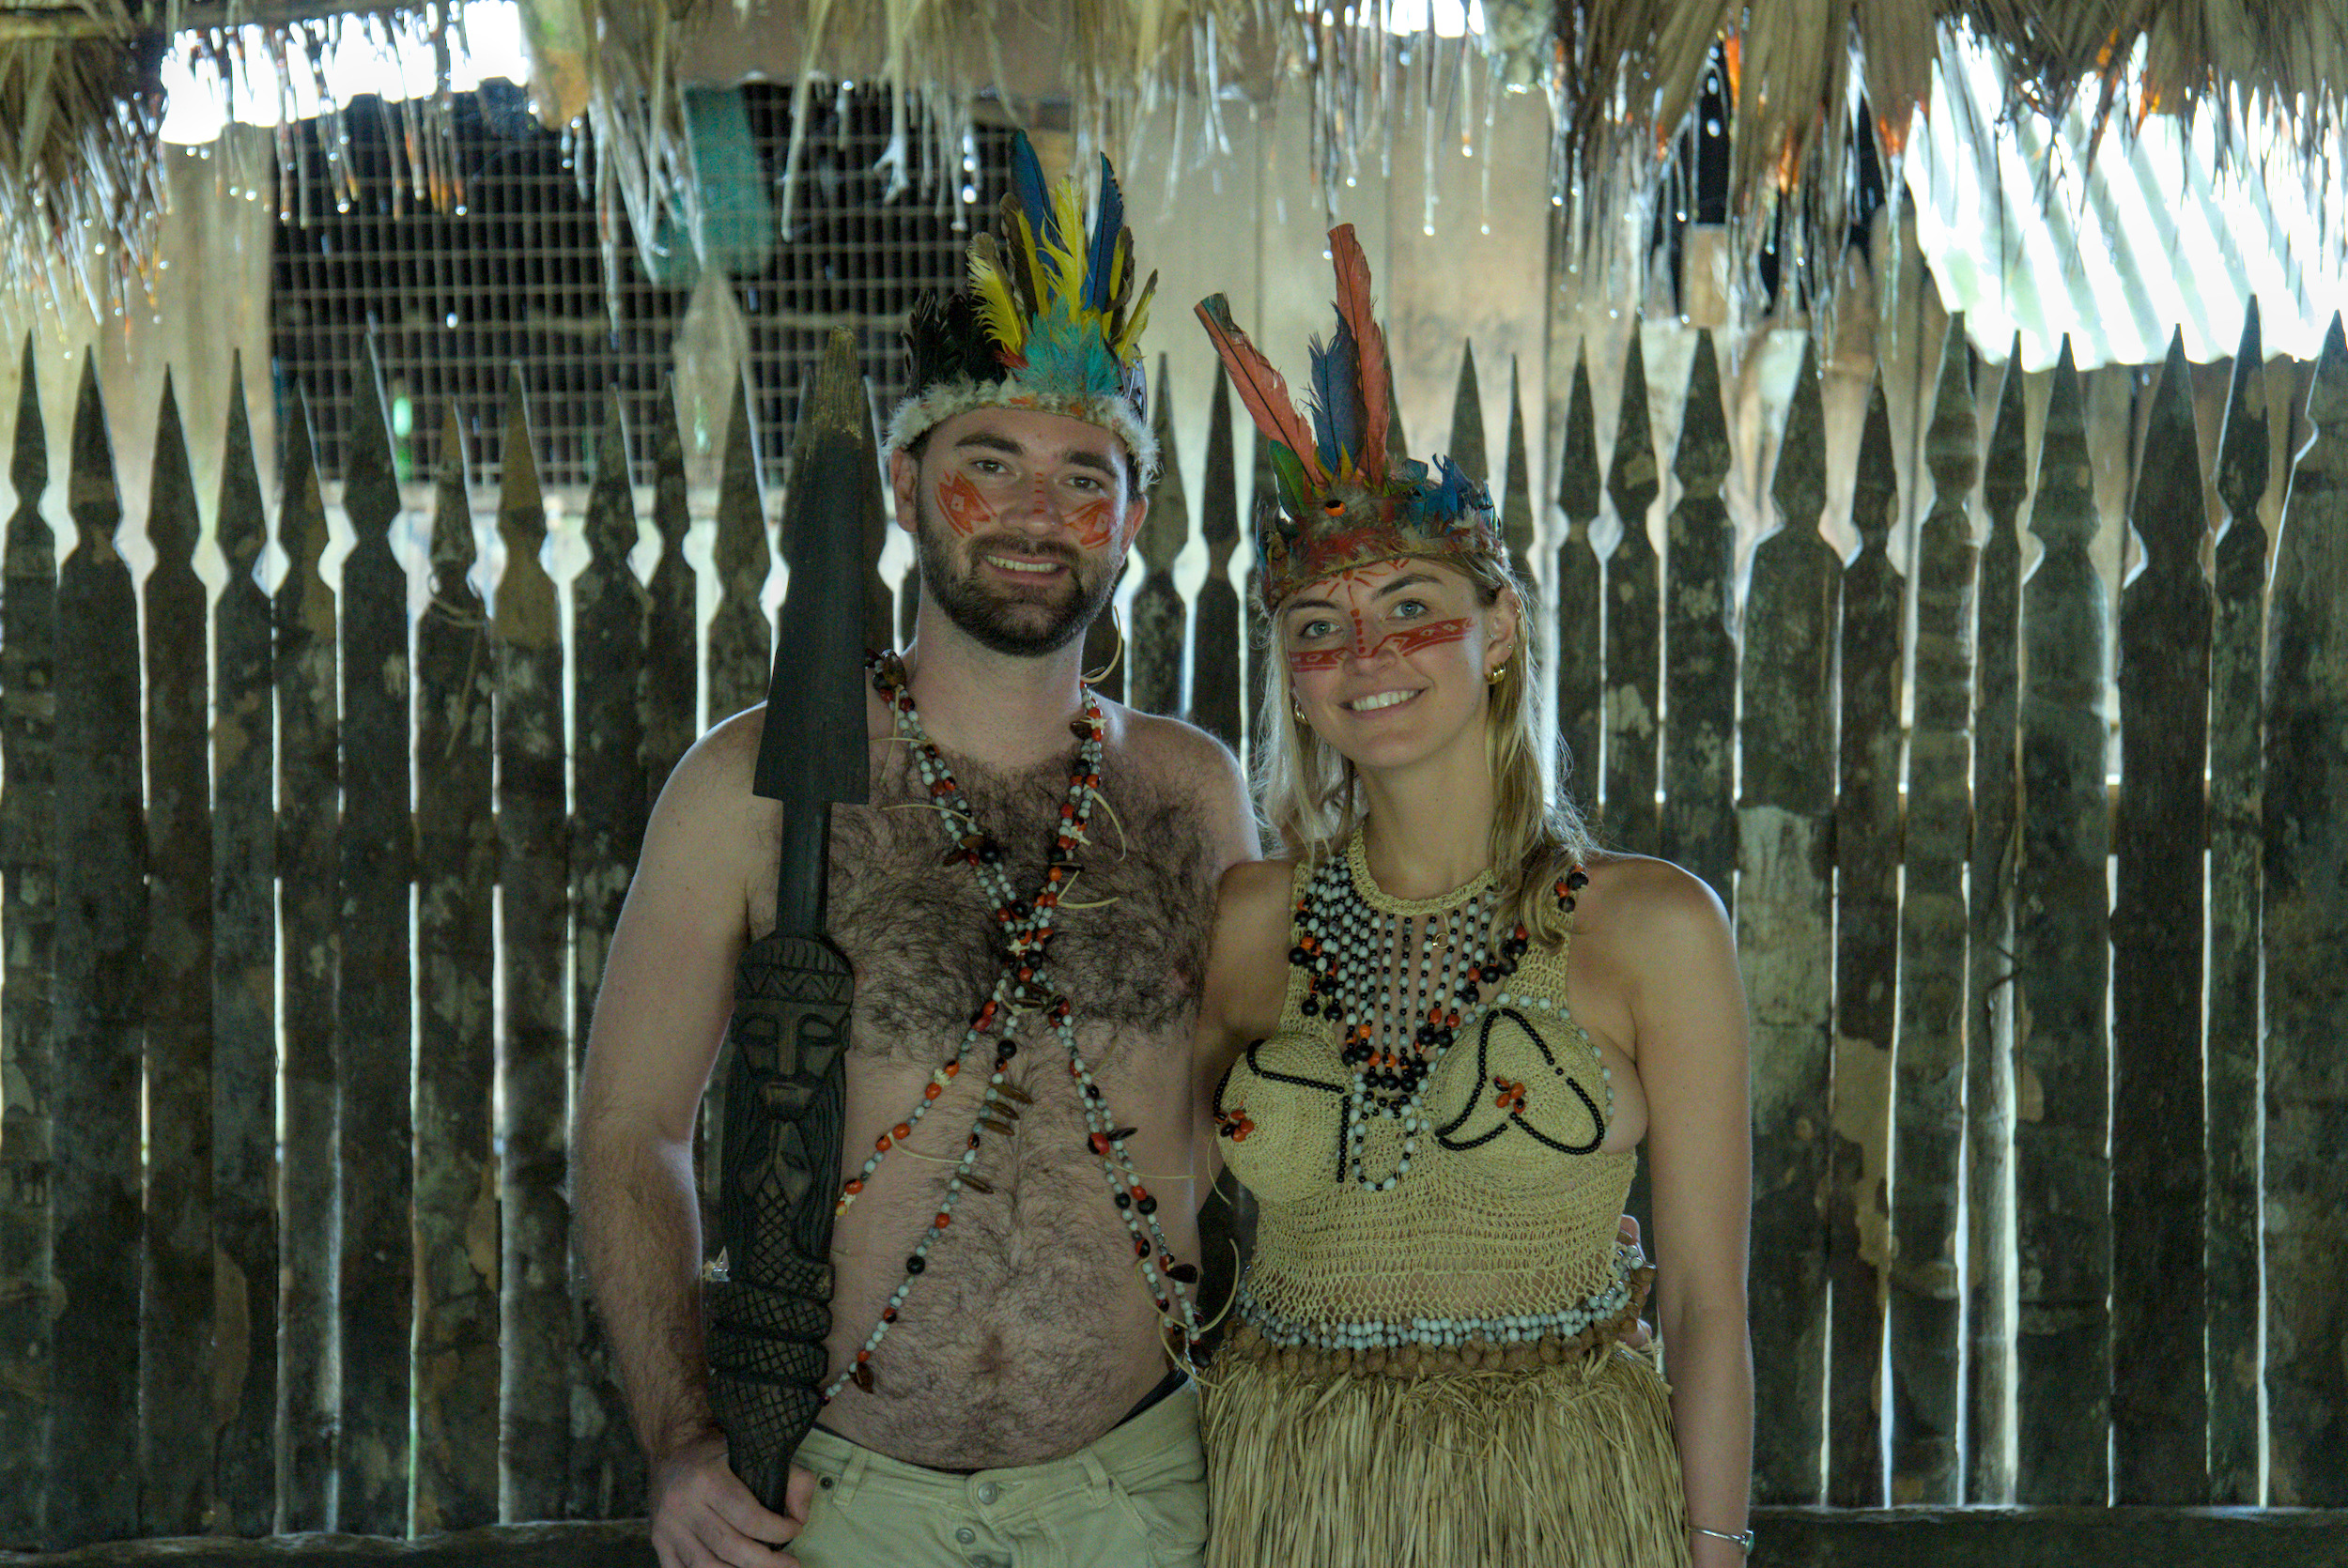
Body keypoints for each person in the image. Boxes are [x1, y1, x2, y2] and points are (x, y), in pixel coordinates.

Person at [578, 137, 1256, 1568]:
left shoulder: (1192, 797)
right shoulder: (756, 786)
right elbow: (631, 1130)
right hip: (835, 1505)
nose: (1035, 514)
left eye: (1083, 476)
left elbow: (1274, 1118)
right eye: (987, 464)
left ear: (1134, 519)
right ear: (903, 482)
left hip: (1141, 1496)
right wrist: (682, 1437)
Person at [1189, 228, 1754, 1568]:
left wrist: (1715, 1548)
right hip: (1293, 1499)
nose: (1365, 654)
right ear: (1294, 677)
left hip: (1565, 1500)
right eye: (1318, 627)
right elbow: (1146, 1207)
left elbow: (1705, 1304)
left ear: (1499, 630)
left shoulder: (1651, 929)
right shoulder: (1251, 921)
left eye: (1411, 606)